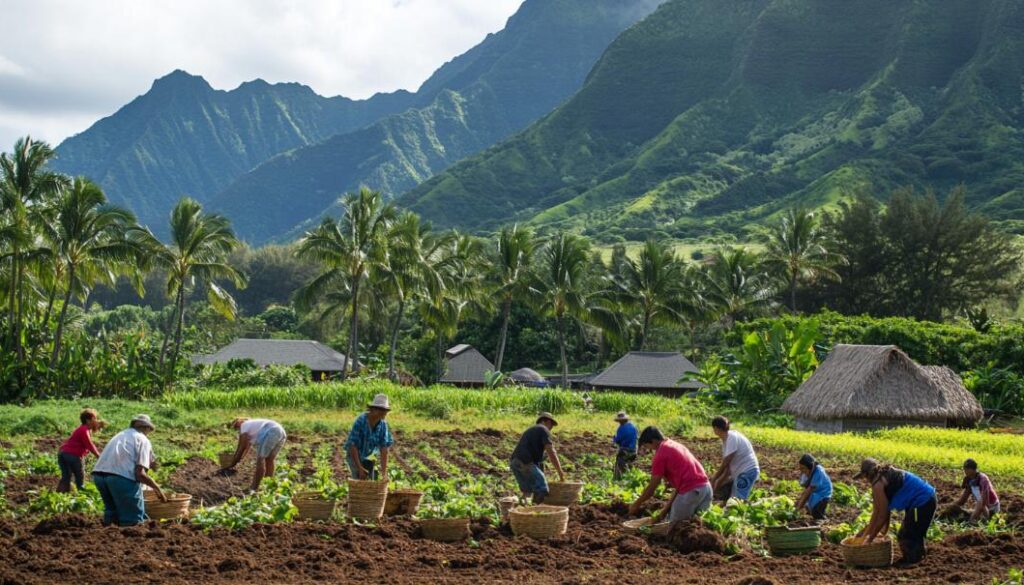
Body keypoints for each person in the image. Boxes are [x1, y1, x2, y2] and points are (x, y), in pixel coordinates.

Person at [854, 458, 937, 565]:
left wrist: (870, 539)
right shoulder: (882, 477)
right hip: (922, 501)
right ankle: (918, 560)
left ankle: (913, 563)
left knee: (907, 535)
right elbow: (878, 511)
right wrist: (869, 533)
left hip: (923, 502)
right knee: (912, 532)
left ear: (866, 474)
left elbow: (882, 515)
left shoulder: (878, 485)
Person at [628, 426, 711, 527]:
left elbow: (652, 488)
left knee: (675, 529)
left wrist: (636, 504)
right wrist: (664, 511)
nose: (648, 449)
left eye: (646, 445)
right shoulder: (674, 445)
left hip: (691, 492)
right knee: (697, 527)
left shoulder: (660, 454)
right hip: (706, 489)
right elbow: (678, 488)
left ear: (653, 441)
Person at [91, 414, 166, 526]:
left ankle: (108, 537)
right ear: (146, 428)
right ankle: (131, 537)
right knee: (132, 520)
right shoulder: (143, 440)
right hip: (120, 479)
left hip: (99, 477)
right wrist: (157, 488)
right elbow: (139, 474)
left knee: (112, 512)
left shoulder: (121, 435)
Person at [510, 412, 565, 504]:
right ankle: (537, 512)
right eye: (551, 425)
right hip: (525, 462)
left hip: (515, 462)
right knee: (542, 489)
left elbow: (536, 455)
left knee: (527, 492)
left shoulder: (531, 430)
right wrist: (560, 472)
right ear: (546, 421)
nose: (551, 428)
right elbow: (551, 452)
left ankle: (522, 512)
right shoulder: (543, 429)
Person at [226, 417, 287, 491]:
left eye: (236, 426)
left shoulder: (244, 425)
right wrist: (240, 459)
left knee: (260, 459)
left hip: (271, 431)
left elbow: (241, 447)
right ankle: (268, 485)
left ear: (240, 422)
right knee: (270, 460)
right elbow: (246, 447)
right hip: (281, 432)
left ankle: (254, 487)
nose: (238, 429)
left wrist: (232, 463)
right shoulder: (253, 427)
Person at [708, 416, 760, 501]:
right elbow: (727, 469)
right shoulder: (727, 440)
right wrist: (716, 484)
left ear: (716, 428)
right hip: (742, 472)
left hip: (747, 471)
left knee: (737, 500)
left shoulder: (731, 437)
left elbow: (726, 462)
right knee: (733, 499)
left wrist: (714, 478)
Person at [344, 393, 394, 480]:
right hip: (355, 454)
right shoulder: (361, 421)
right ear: (373, 409)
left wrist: (384, 473)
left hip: (370, 455)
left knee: (371, 480)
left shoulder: (383, 425)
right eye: (381, 410)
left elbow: (384, 449)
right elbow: (353, 445)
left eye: (385, 411)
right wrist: (359, 468)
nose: (384, 413)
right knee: (359, 479)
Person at [57, 408, 105, 493]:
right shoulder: (84, 430)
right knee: (80, 478)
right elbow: (89, 445)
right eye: (95, 419)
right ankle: (82, 495)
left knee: (66, 477)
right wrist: (99, 456)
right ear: (88, 420)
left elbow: (93, 432)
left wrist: (97, 426)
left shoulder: (83, 429)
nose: (96, 420)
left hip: (63, 453)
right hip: (72, 455)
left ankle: (61, 496)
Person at [950, 458, 1000, 522]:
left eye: (967, 469)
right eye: (964, 469)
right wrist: (951, 507)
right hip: (981, 507)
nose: (965, 471)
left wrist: (972, 519)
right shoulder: (968, 480)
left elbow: (982, 502)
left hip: (992, 507)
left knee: (976, 518)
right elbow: (963, 499)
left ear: (973, 469)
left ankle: (982, 519)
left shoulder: (983, 479)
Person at [794, 454, 832, 521]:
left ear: (809, 467)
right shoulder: (806, 472)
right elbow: (806, 488)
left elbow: (809, 490)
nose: (802, 470)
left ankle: (823, 521)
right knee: (810, 508)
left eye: (803, 468)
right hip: (815, 492)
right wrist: (799, 501)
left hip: (823, 493)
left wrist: (798, 507)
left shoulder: (818, 472)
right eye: (800, 468)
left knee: (817, 512)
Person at [612, 411, 638, 480]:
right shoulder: (633, 426)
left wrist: (614, 438)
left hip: (625, 451)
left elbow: (617, 440)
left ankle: (617, 480)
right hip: (634, 450)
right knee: (629, 465)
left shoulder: (621, 429)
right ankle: (631, 479)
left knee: (618, 465)